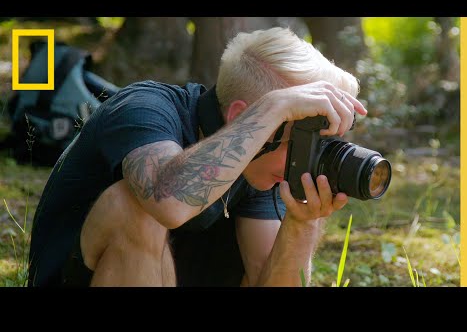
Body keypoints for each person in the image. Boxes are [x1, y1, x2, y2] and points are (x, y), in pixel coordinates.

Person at [27, 27, 367, 287]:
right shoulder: (145, 108)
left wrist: (302, 223)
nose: (305, 158)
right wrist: (275, 109)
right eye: (302, 141)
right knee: (136, 205)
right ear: (243, 116)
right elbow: (167, 200)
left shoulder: (263, 166)